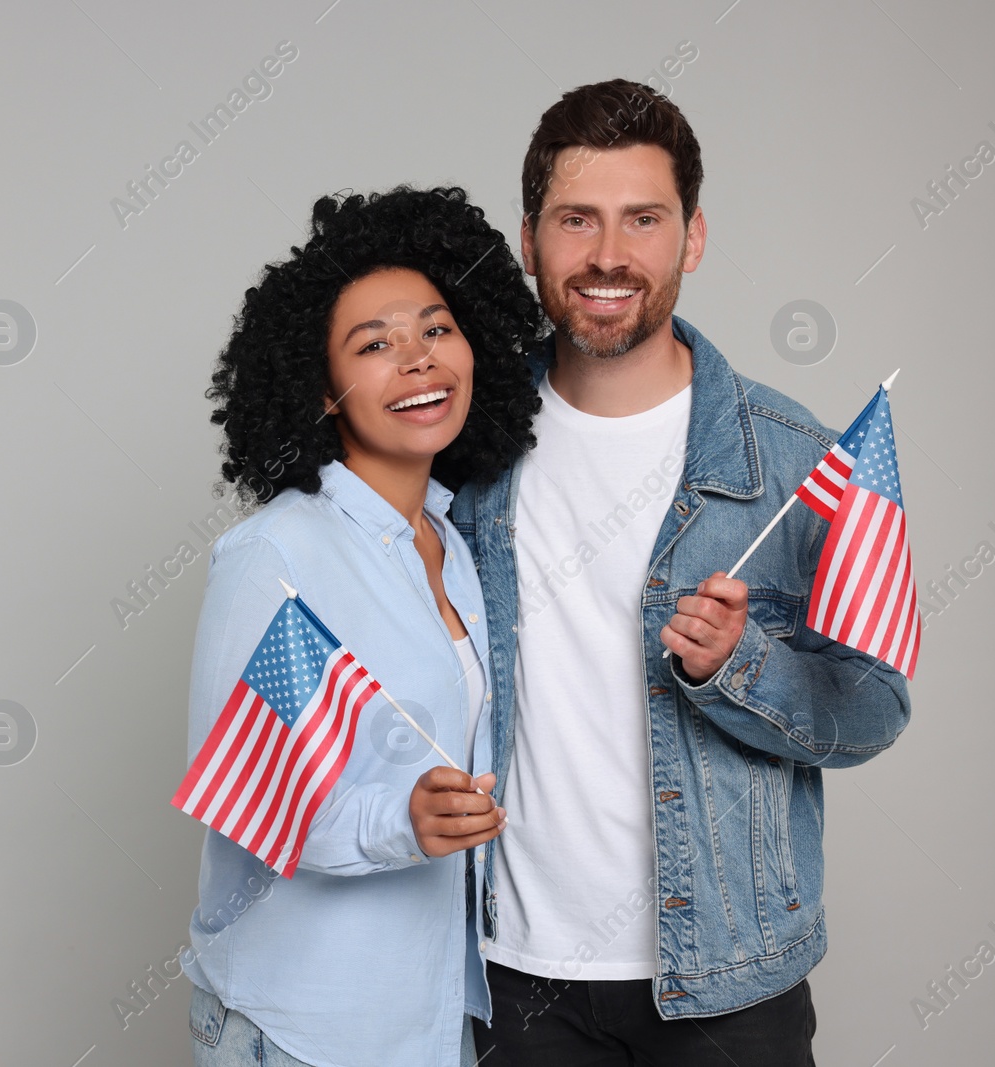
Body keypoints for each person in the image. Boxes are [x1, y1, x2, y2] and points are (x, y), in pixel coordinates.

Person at [452, 79, 912, 1064]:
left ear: (691, 238)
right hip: (508, 970)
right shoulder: (462, 450)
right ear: (529, 238)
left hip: (728, 985)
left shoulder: (795, 461)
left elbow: (872, 708)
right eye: (576, 219)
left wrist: (740, 667)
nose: (608, 255)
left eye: (642, 220)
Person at [179, 186, 546, 1067]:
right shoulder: (280, 552)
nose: (417, 360)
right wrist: (403, 821)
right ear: (325, 390)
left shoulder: (453, 546)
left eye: (435, 329)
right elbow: (249, 799)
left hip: (426, 1024)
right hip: (300, 1030)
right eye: (374, 345)